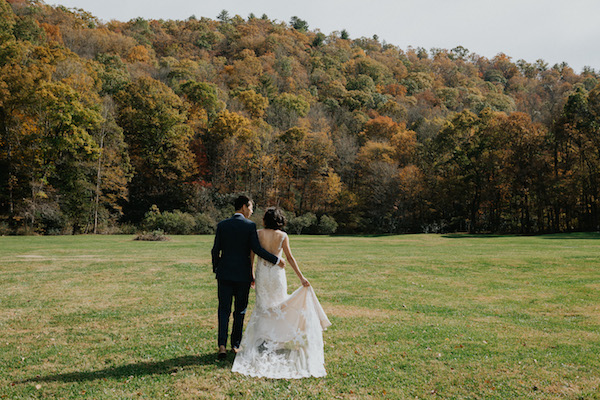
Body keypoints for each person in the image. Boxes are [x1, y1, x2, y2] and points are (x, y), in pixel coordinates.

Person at [232, 207, 331, 379]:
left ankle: (265, 339)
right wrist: (301, 278)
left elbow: (251, 255)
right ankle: (276, 338)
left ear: (265, 219)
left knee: (263, 306)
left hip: (263, 273)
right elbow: (290, 258)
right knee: (279, 305)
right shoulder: (283, 236)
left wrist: (252, 275)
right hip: (277, 275)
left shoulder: (258, 233)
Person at [211, 196, 285, 360]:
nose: (252, 211)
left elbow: (215, 250)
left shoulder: (222, 225)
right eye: (251, 207)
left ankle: (221, 345)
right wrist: (276, 260)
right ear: (244, 207)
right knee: (240, 311)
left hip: (224, 274)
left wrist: (217, 268)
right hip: (243, 276)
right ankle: (235, 345)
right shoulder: (249, 226)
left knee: (223, 310)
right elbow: (257, 249)